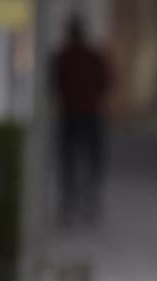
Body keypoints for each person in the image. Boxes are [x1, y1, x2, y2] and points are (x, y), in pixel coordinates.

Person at [50, 15, 112, 223]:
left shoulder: (63, 56)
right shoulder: (92, 55)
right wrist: (94, 97)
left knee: (69, 157)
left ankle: (70, 198)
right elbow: (107, 80)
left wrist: (66, 96)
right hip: (91, 112)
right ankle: (90, 196)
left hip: (70, 113)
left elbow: (54, 82)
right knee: (93, 157)